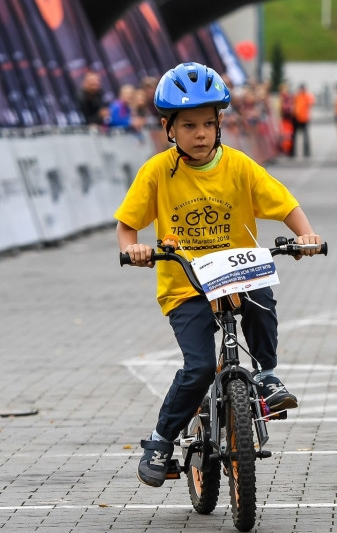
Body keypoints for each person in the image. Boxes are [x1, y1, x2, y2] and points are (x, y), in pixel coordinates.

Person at [115, 62, 323, 487]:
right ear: (168, 127)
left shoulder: (240, 166)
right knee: (199, 367)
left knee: (262, 302)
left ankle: (265, 373)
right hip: (185, 285)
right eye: (188, 125)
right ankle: (160, 440)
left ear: (220, 124)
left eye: (207, 124)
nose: (199, 133)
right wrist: (132, 249)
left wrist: (305, 236)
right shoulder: (157, 171)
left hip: (238, 277)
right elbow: (127, 224)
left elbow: (284, 204)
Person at [292, 83, 314, 158]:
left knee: (305, 137)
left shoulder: (306, 96)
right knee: (296, 136)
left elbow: (311, 102)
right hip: (297, 118)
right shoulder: (297, 96)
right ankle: (294, 152)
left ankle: (306, 152)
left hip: (304, 119)